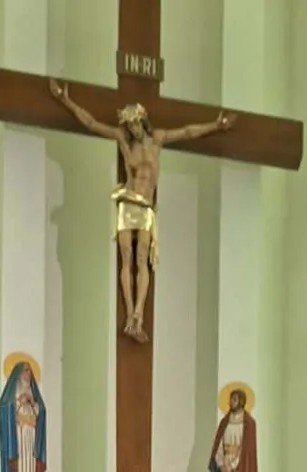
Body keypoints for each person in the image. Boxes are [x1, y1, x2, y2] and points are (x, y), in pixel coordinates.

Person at [49, 82, 236, 341]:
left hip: (146, 207)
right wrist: (66, 101)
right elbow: (91, 123)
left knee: (142, 259)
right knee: (126, 257)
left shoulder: (157, 139)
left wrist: (216, 125)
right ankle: (129, 313)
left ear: (142, 121)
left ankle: (139, 312)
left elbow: (188, 131)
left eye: (136, 124)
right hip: (128, 203)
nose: (133, 129)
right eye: (129, 126)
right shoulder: (123, 141)